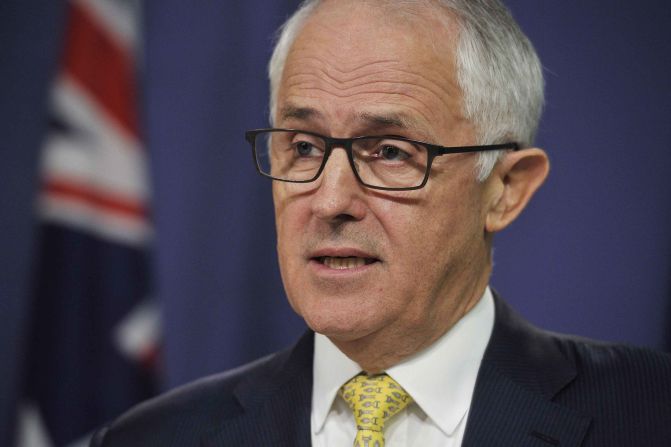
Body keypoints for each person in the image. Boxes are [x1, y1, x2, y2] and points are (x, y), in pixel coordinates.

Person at [91, 0, 671, 446]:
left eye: (390, 151)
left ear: (504, 189)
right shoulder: (153, 438)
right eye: (304, 146)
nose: (330, 200)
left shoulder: (649, 413)